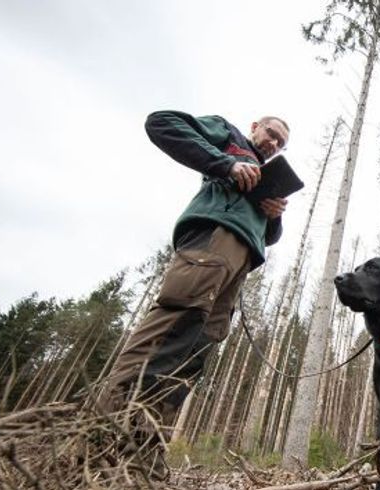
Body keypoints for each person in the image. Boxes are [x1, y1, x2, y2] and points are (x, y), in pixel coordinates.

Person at [103, 110, 290, 455]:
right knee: (173, 326)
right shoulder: (230, 136)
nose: (274, 142)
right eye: (271, 132)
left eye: (281, 141)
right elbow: (161, 123)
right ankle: (102, 437)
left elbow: (270, 235)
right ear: (254, 127)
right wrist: (226, 164)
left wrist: (274, 215)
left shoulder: (266, 174)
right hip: (212, 240)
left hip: (241, 262)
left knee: (196, 350)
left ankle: (142, 452)